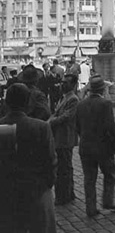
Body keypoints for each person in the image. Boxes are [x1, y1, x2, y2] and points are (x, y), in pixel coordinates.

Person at [0, 83, 57, 233]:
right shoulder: (41, 127)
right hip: (36, 191)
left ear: (7, 102)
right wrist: (46, 185)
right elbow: (51, 160)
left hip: (6, 194)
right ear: (28, 103)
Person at [76, 74, 115, 217]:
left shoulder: (80, 104)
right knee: (110, 174)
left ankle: (90, 208)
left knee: (89, 179)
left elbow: (77, 126)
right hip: (103, 147)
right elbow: (111, 126)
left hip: (85, 146)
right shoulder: (105, 104)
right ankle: (108, 201)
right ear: (103, 89)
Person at [48, 73, 79, 205]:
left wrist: (49, 122)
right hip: (60, 137)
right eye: (62, 82)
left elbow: (65, 117)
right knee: (65, 166)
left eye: (66, 83)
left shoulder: (73, 99)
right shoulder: (63, 98)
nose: (62, 85)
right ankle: (69, 193)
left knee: (63, 168)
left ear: (73, 85)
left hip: (65, 137)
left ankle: (63, 196)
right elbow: (56, 114)